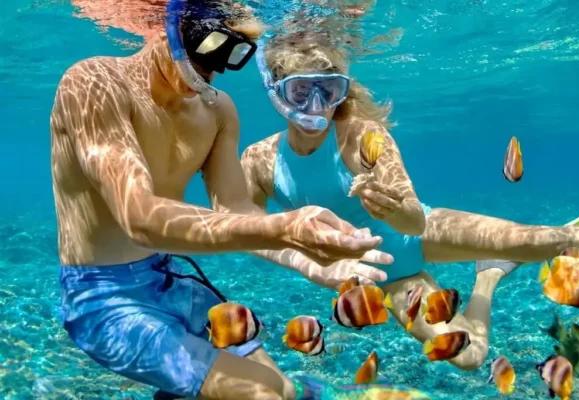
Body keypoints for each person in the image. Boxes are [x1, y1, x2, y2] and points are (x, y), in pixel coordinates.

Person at [241, 32, 579, 370]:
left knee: (543, 239)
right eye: (301, 93)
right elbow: (242, 229)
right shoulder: (260, 160)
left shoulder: (362, 136)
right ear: (275, 94)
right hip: (388, 279)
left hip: (423, 232)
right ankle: (488, 276)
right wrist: (308, 262)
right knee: (469, 357)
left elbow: (412, 219)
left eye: (329, 92)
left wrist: (391, 206)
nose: (317, 108)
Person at [50, 1, 390, 399]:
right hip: (103, 297)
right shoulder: (93, 81)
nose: (212, 70)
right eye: (208, 46)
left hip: (170, 276)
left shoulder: (217, 110)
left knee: (284, 390)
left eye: (232, 54)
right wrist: (284, 228)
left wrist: (308, 261)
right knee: (258, 393)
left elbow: (236, 211)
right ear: (169, 26)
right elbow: (137, 215)